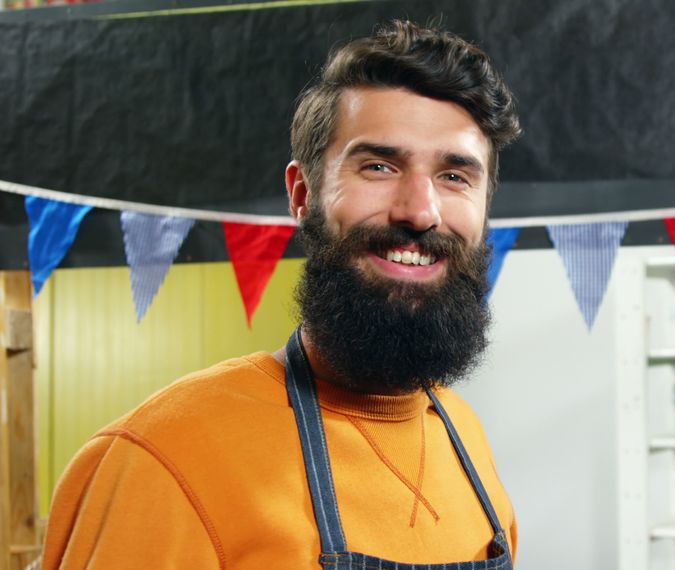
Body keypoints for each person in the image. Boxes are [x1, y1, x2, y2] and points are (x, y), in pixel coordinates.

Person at [41, 20, 522, 569]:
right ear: (302, 193)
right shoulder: (164, 461)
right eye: (379, 166)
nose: (419, 210)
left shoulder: (465, 437)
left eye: (455, 176)